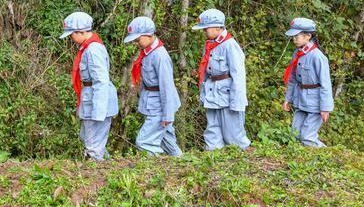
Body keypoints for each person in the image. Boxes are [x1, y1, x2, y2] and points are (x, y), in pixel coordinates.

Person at [60, 11, 117, 161]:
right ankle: (105, 166)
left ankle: (96, 173)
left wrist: (99, 111)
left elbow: (101, 81)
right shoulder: (87, 48)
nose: (71, 38)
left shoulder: (93, 50)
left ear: (81, 32)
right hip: (90, 98)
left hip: (97, 100)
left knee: (93, 144)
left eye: (72, 34)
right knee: (88, 137)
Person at [192, 9, 250, 151]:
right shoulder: (210, 44)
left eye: (206, 29)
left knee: (233, 133)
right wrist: (203, 93)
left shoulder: (230, 45)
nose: (204, 32)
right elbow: (206, 70)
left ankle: (241, 161)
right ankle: (213, 160)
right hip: (212, 93)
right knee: (212, 130)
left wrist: (237, 101)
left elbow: (238, 75)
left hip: (227, 95)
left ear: (218, 27)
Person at [124, 16, 182, 156]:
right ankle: (183, 162)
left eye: (138, 40)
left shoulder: (159, 56)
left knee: (145, 142)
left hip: (160, 107)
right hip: (152, 103)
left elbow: (167, 87)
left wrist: (167, 115)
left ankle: (153, 170)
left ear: (149, 35)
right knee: (166, 142)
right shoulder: (147, 53)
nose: (136, 43)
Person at [282, 17, 332, 147]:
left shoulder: (317, 57)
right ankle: (301, 161)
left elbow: (326, 84)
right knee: (295, 134)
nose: (294, 39)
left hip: (315, 104)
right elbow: (293, 79)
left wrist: (325, 108)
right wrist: (288, 99)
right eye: (293, 36)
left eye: (296, 36)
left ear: (308, 36)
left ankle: (326, 156)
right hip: (300, 100)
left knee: (307, 138)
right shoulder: (297, 54)